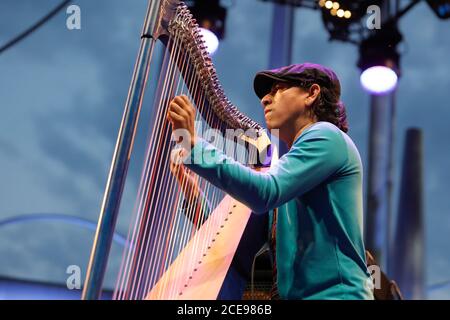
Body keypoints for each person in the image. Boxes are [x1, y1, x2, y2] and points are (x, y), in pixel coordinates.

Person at [166, 63, 374, 300]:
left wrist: (196, 147)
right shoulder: (289, 174)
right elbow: (239, 248)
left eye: (277, 89)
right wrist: (193, 194)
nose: (265, 99)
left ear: (312, 93)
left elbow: (264, 191)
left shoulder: (327, 136)